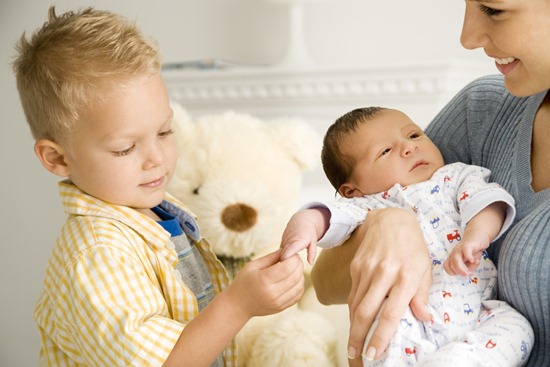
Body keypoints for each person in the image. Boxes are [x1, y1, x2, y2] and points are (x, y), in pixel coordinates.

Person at [12, 7, 304, 367]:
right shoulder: (98, 255)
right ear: (57, 159)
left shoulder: (161, 213)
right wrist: (239, 304)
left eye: (165, 132)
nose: (156, 158)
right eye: (125, 148)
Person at [309, 1, 550, 366]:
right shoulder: (482, 110)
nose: (467, 38)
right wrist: (388, 223)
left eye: (494, 8)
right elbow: (324, 283)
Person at [280, 106, 533, 366]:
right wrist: (305, 225)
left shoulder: (455, 176)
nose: (409, 148)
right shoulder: (366, 206)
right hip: (405, 313)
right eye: (385, 151)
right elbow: (326, 218)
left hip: (480, 309)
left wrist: (476, 236)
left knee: (517, 327)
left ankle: (457, 360)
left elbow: (486, 202)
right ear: (352, 190)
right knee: (385, 335)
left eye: (413, 135)